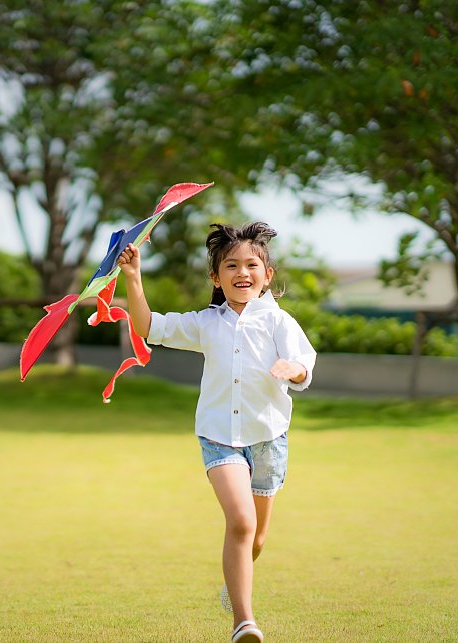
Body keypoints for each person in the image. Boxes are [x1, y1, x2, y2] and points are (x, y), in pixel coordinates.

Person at [117, 222, 316, 643]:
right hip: (219, 436)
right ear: (215, 276)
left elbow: (303, 364)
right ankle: (244, 622)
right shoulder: (207, 323)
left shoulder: (279, 322)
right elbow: (148, 326)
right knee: (241, 524)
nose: (242, 272)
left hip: (268, 439)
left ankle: (234, 583)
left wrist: (290, 368)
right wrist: (134, 278)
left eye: (251, 265)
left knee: (257, 538)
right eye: (231, 265)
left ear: (267, 274)